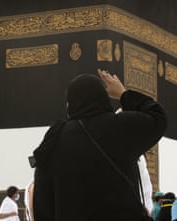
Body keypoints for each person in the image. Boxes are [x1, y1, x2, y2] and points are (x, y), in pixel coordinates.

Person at [32, 69, 167, 221]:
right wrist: (123, 94)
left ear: (69, 104)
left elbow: (43, 203)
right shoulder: (121, 127)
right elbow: (158, 117)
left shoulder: (55, 139)